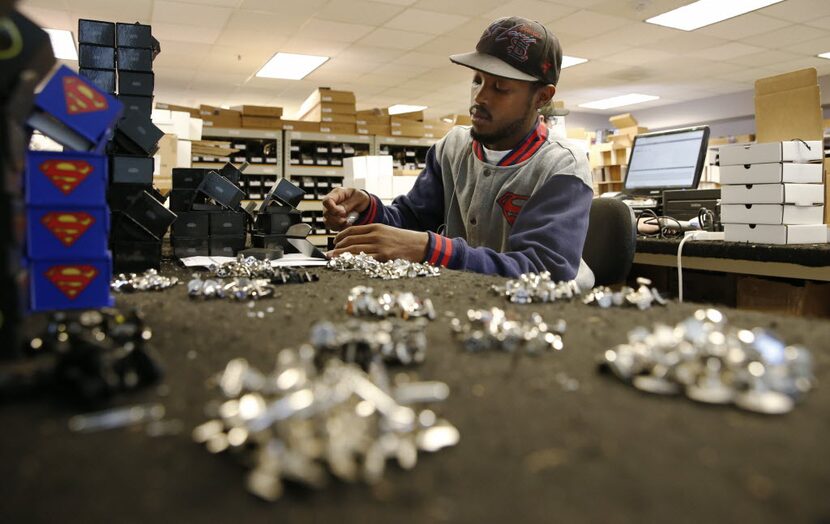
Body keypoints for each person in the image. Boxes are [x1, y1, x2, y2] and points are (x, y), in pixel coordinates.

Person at [322, 16, 595, 289]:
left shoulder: (562, 166)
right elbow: (414, 219)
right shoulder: (451, 148)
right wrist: (368, 209)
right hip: (466, 298)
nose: (479, 97)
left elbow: (543, 271)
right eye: (477, 81)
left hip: (542, 311)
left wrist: (432, 250)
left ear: (542, 97)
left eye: (500, 87)